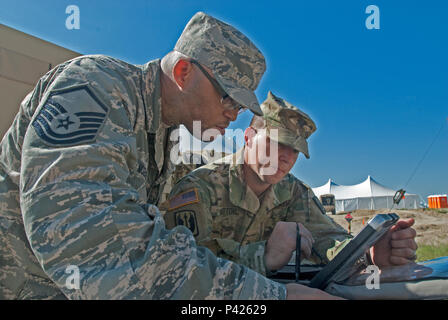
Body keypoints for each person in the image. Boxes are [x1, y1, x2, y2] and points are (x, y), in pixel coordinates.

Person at [0, 12, 338, 300]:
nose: (234, 114)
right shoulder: (99, 89)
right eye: (229, 99)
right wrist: (267, 296)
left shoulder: (161, 134)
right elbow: (89, 242)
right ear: (183, 73)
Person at [164, 91, 418, 277]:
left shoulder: (294, 191)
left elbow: (328, 239)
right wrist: (264, 255)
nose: (286, 157)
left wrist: (367, 254)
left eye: (295, 150)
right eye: (276, 143)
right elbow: (185, 270)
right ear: (249, 137)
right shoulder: (200, 188)